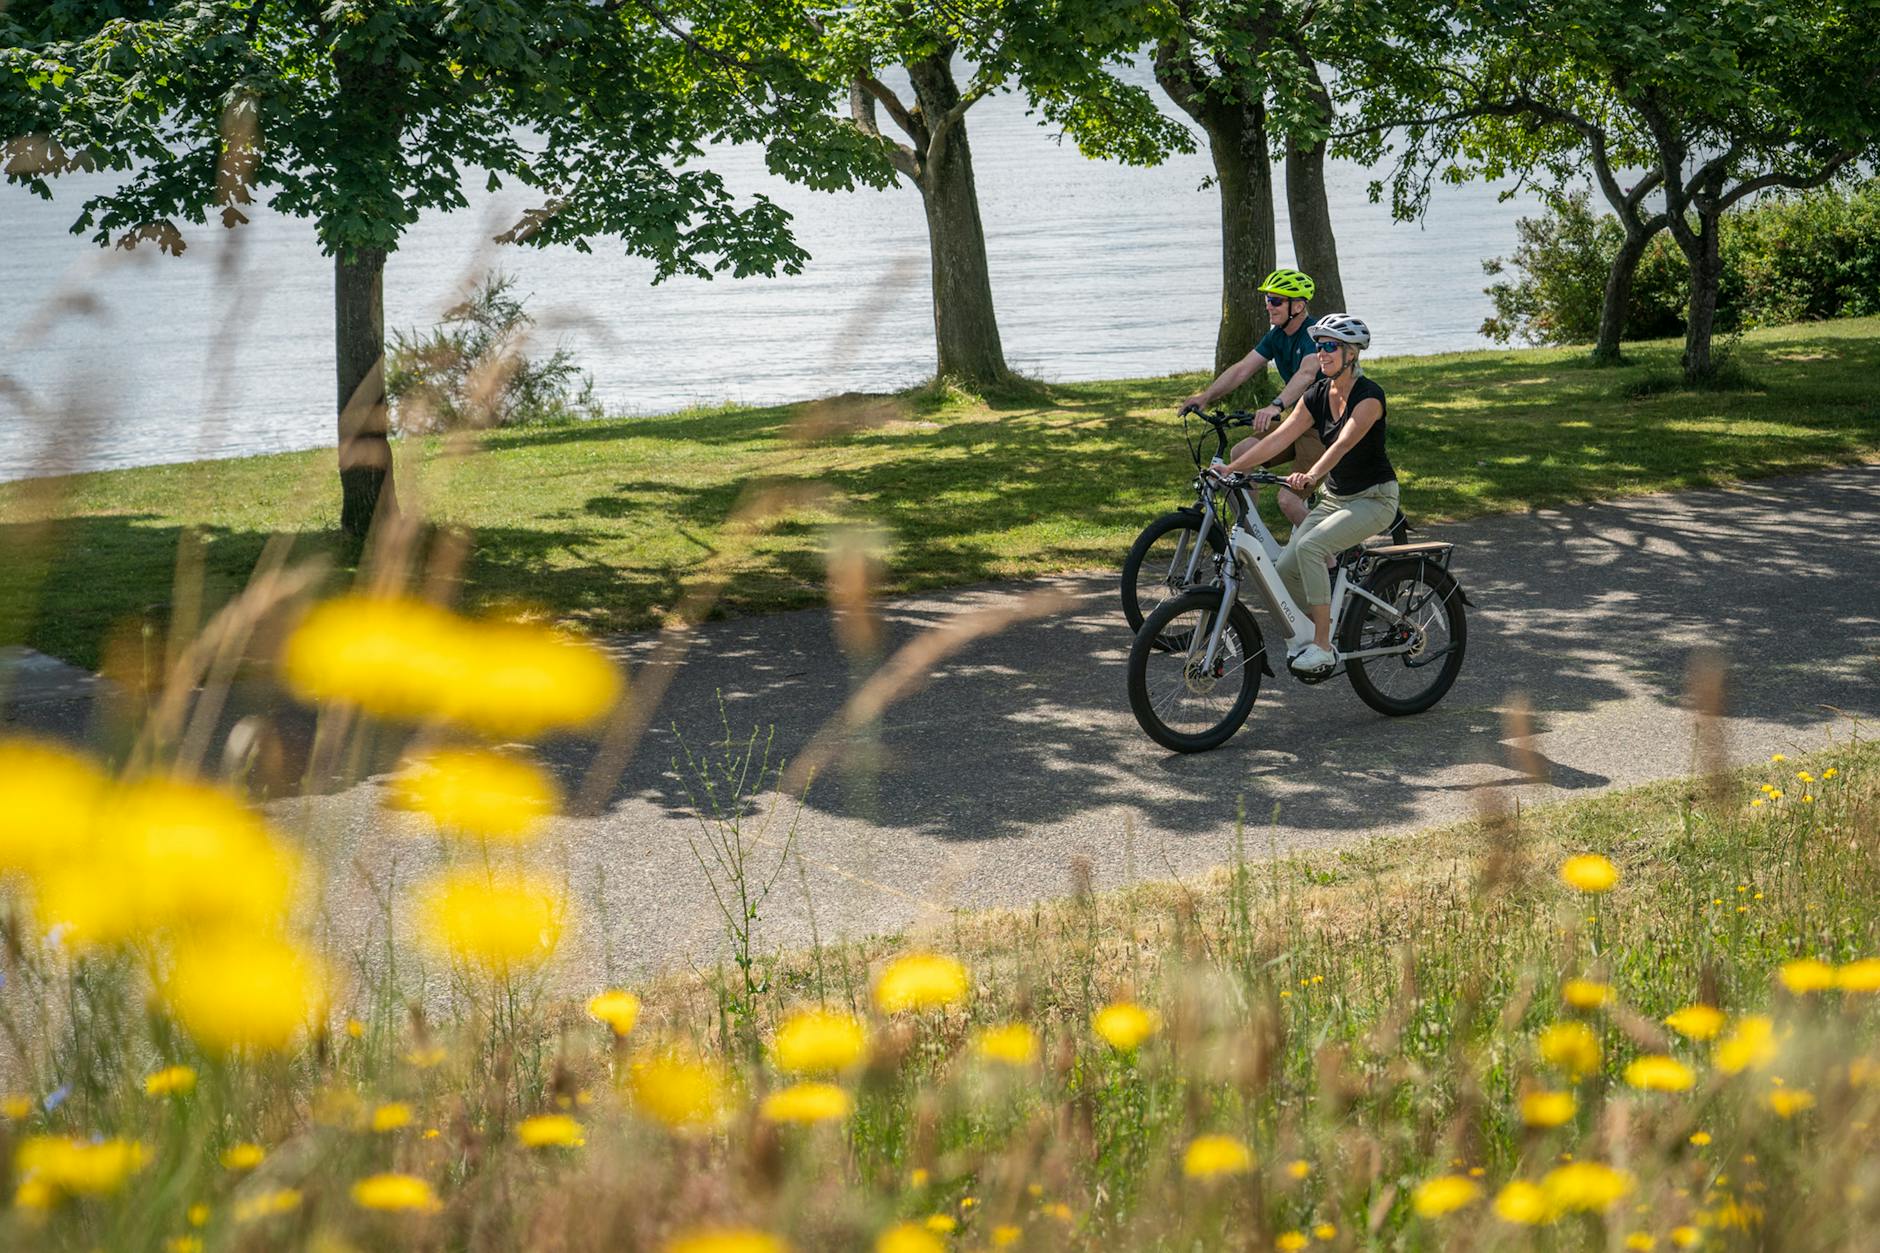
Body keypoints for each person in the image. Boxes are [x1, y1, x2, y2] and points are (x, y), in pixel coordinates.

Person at [1209, 313, 1395, 676]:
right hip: (1336, 500)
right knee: (1285, 572)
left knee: (1312, 548)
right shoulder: (1317, 395)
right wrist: (1232, 469)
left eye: (1330, 347)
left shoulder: (1369, 397)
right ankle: (1323, 627)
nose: (1321, 353)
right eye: (1319, 346)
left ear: (1351, 354)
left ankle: (1324, 648)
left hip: (1374, 499)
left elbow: (1342, 445)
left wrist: (1310, 474)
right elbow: (1281, 436)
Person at [1179, 268, 1323, 526]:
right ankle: (1247, 532)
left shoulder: (1314, 334)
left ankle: (1330, 560)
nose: (1269, 306)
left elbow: (1307, 373)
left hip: (1324, 431)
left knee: (1288, 501)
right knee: (1241, 451)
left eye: (1276, 300)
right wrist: (1205, 397)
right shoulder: (1277, 335)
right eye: (1267, 299)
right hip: (1298, 425)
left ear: (1298, 306)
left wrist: (1275, 405)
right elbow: (1243, 369)